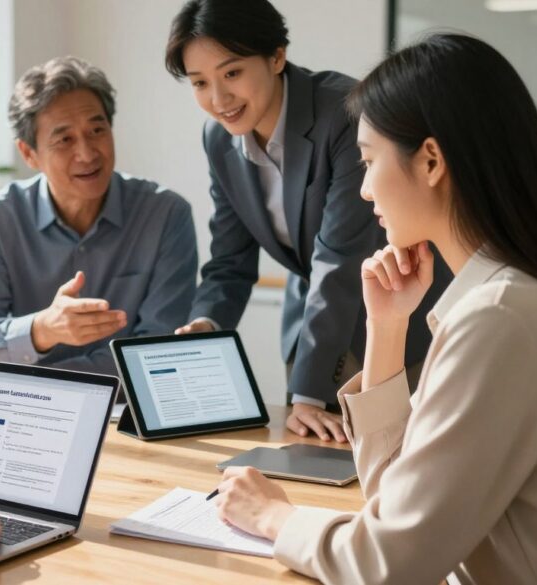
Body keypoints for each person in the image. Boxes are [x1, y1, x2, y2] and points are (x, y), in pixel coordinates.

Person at [212, 34, 537, 584]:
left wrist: (275, 517)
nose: (363, 191)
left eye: (368, 160)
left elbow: (389, 565)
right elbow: (398, 503)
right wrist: (386, 327)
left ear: (430, 160)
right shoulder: (516, 298)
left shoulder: (500, 320)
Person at [165, 0, 451, 442]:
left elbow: (339, 258)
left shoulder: (345, 110)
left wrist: (307, 392)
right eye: (200, 83)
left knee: (400, 465)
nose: (218, 100)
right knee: (310, 464)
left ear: (277, 56)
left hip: (400, 321)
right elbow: (230, 259)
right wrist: (207, 324)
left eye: (232, 73)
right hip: (314, 331)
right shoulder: (218, 139)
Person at [0, 56, 197, 376]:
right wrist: (41, 330)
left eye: (97, 130)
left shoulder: (165, 215)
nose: (87, 153)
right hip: (24, 411)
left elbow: (159, 350)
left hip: (124, 415)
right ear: (29, 153)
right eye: (64, 139)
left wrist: (47, 380)